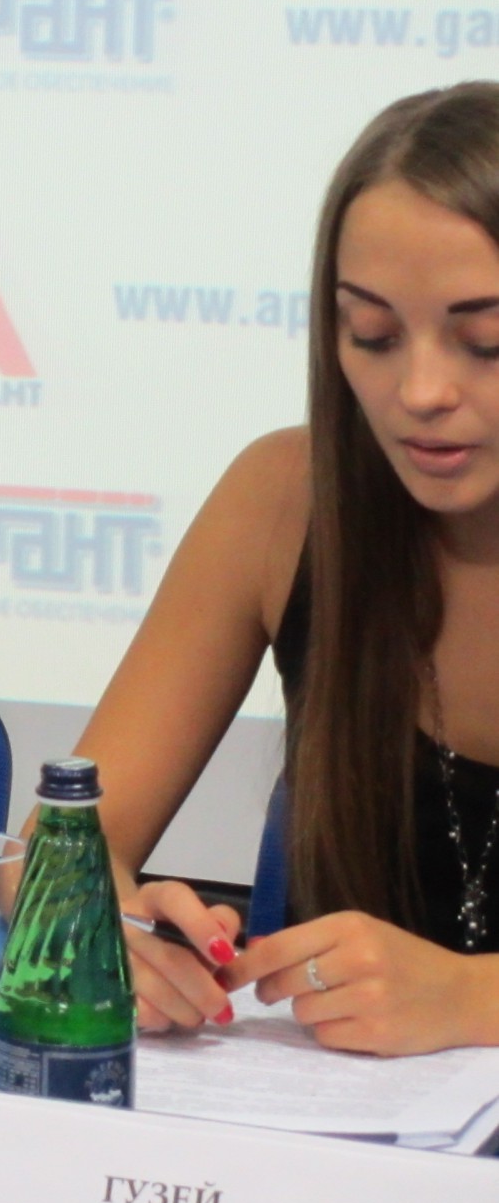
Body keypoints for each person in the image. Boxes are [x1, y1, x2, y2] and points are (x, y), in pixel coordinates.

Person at [87, 81, 499, 1055]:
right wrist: (103, 925)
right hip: (331, 1134)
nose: (420, 390)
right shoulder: (283, 500)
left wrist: (469, 999)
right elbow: (53, 845)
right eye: (373, 335)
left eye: (485, 341)